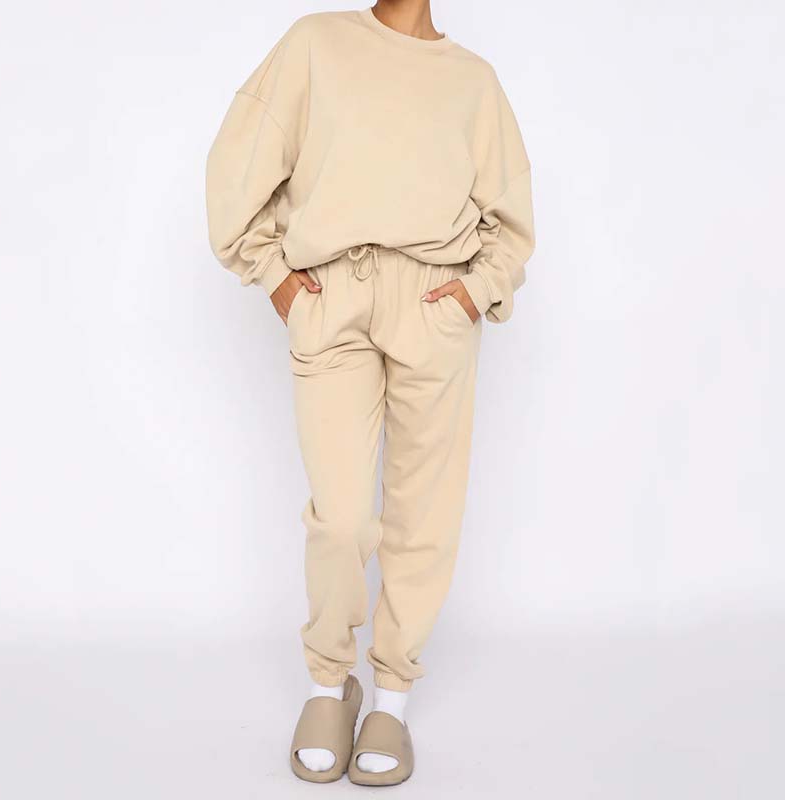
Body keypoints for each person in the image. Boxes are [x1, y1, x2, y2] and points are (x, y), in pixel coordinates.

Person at [206, 0, 534, 786]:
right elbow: (238, 162)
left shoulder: (473, 81)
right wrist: (275, 277)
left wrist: (472, 293)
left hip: (435, 304)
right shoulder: (317, 43)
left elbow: (512, 222)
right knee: (344, 516)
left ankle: (391, 696)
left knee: (426, 513)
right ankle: (329, 684)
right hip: (333, 296)